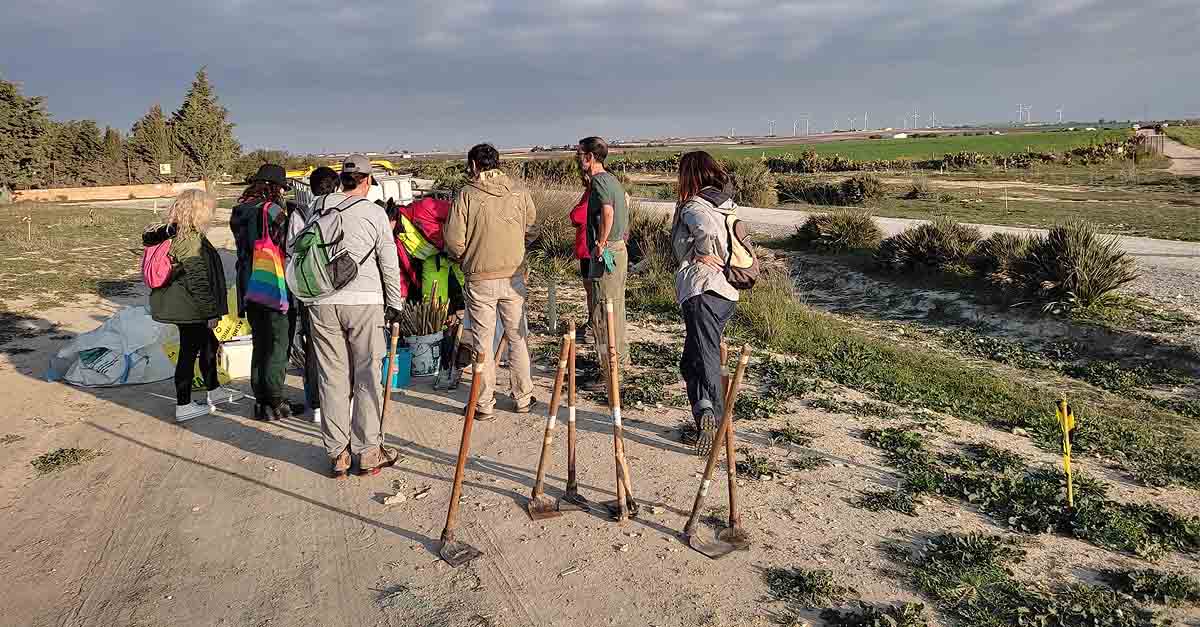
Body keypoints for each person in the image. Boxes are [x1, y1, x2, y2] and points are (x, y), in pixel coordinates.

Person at [307, 155, 404, 478]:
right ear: (366, 180)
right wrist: (396, 304)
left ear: (341, 179)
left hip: (321, 301)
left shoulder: (317, 208)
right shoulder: (374, 213)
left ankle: (338, 455)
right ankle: (368, 451)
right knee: (367, 376)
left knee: (332, 377)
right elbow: (388, 263)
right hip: (365, 302)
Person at [444, 143, 537, 419]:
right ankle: (523, 396)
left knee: (482, 342)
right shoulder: (519, 191)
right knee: (517, 337)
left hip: (479, 278)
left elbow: (452, 240)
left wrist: (465, 258)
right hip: (514, 277)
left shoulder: (466, 195)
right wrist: (517, 249)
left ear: (474, 165)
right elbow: (532, 228)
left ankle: (483, 404)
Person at [145, 189, 243, 422]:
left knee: (209, 344)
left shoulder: (186, 233)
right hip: (190, 308)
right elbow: (198, 281)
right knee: (189, 354)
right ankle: (184, 404)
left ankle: (214, 390)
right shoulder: (188, 239)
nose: (212, 213)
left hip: (188, 305)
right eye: (209, 209)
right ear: (198, 211)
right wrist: (210, 313)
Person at [670, 151, 740, 456]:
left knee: (707, 356)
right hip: (727, 291)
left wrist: (700, 252)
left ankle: (716, 423)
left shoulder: (694, 205)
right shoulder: (726, 203)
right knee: (692, 358)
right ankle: (705, 412)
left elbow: (706, 230)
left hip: (703, 289)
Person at [231, 164, 294, 422]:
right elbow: (290, 241)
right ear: (275, 187)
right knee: (278, 343)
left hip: (248, 283)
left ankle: (261, 401)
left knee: (260, 343)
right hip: (271, 281)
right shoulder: (273, 210)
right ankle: (276, 400)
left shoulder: (239, 210)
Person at [576, 136, 629, 389]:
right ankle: (619, 362)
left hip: (608, 252)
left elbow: (607, 211)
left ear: (590, 157)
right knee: (615, 308)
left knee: (602, 309)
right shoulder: (613, 180)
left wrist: (601, 242)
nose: (578, 159)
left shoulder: (599, 181)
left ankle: (608, 372)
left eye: (580, 154)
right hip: (618, 250)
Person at [287, 166, 339, 425]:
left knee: (314, 347)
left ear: (311, 187)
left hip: (310, 292)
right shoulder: (343, 211)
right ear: (336, 187)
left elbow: (291, 252)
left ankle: (317, 406)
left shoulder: (300, 213)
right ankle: (340, 403)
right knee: (340, 349)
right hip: (339, 291)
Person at [569, 170, 594, 343]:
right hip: (587, 247)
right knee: (590, 289)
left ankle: (593, 325)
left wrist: (576, 213)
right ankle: (592, 322)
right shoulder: (590, 192)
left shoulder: (592, 193)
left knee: (592, 290)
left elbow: (577, 215)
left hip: (589, 248)